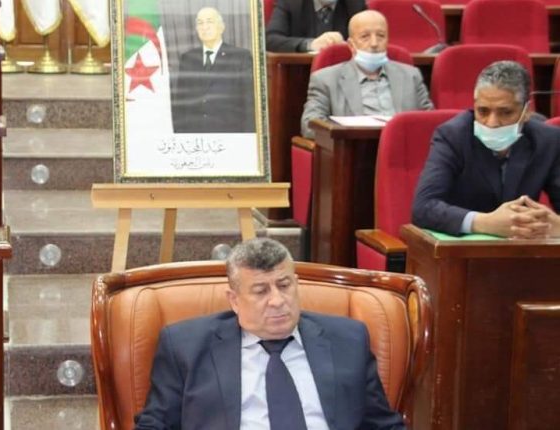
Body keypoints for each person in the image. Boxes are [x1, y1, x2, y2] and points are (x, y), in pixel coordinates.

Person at [134, 238, 405, 429]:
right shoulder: (185, 347)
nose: (277, 301)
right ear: (234, 300)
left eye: (284, 285)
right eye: (261, 291)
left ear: (296, 284)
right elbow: (155, 425)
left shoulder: (348, 340)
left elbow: (383, 425)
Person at [412, 61, 560, 238]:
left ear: (526, 111)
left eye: (505, 112)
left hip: (523, 247)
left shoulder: (548, 140)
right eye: (483, 111)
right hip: (462, 249)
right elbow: (423, 208)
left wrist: (555, 225)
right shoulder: (453, 136)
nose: (492, 123)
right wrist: (484, 222)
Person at [300, 10, 433, 138]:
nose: (374, 43)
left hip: (402, 147)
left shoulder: (411, 76)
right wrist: (343, 135)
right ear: (351, 45)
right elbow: (309, 126)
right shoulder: (326, 80)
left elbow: (431, 122)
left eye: (380, 36)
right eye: (365, 36)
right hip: (354, 149)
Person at [171, 7, 255, 133]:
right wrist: (180, 134)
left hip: (230, 134)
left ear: (221, 27)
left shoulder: (240, 57)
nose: (204, 27)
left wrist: (248, 137)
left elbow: (249, 102)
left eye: (209, 22)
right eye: (200, 23)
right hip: (195, 136)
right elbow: (180, 104)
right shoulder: (188, 58)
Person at [266, 0, 367, 53]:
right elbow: (270, 39)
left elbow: (369, 41)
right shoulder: (291, 2)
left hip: (343, 75)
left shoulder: (356, 4)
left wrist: (346, 46)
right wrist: (309, 45)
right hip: (299, 73)